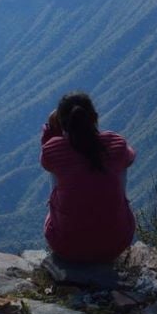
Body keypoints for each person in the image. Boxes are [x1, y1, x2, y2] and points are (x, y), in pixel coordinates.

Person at [40, 91, 136, 263]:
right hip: (115, 243)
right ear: (95, 117)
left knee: (59, 175)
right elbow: (130, 158)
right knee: (120, 166)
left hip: (66, 245)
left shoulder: (53, 150)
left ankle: (68, 223)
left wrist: (52, 134)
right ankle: (111, 217)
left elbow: (48, 162)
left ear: (62, 123)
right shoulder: (116, 144)